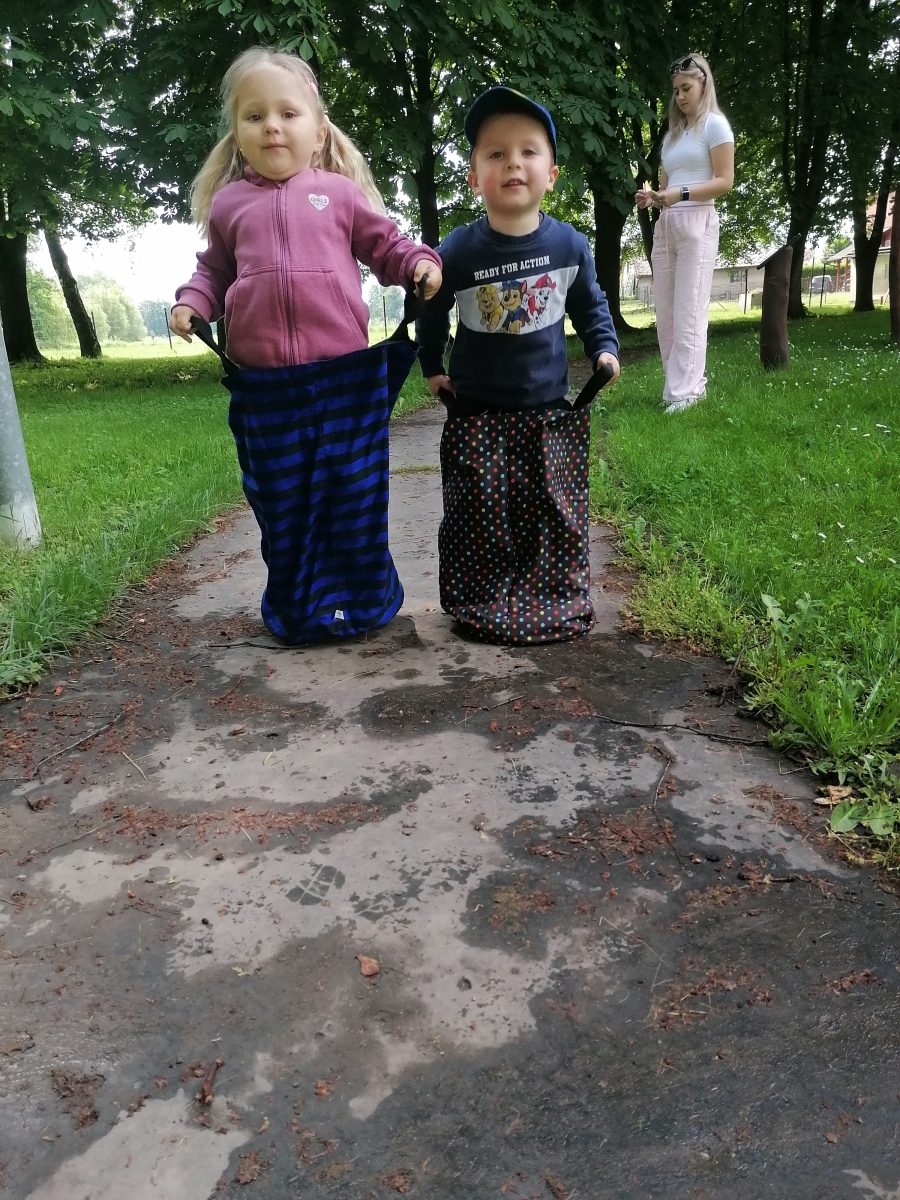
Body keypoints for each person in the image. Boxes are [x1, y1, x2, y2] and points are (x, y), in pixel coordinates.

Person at [169, 47, 442, 642]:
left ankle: (365, 601)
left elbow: (388, 246)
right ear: (238, 135)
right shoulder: (229, 205)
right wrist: (192, 303)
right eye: (255, 116)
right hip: (265, 389)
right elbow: (213, 272)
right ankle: (297, 607)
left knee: (353, 494)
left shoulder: (339, 195)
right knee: (281, 500)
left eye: (288, 113)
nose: (272, 126)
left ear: (318, 132)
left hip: (345, 379)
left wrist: (419, 263)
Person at [417, 85, 620, 645]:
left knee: (549, 510)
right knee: (479, 513)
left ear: (551, 175)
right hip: (475, 414)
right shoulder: (458, 251)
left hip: (547, 412)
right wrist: (431, 365)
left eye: (528, 151)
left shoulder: (569, 246)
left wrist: (604, 348)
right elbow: (430, 310)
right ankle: (481, 599)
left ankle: (550, 597)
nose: (513, 163)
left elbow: (591, 306)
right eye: (496, 153)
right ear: (473, 177)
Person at [636, 54, 734, 413]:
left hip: (697, 222)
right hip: (667, 225)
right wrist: (653, 198)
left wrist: (682, 194)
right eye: (676, 90)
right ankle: (674, 389)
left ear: (703, 84)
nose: (679, 96)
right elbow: (666, 188)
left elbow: (725, 181)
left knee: (689, 310)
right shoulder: (672, 137)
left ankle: (689, 393)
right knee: (667, 314)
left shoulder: (716, 126)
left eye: (686, 88)